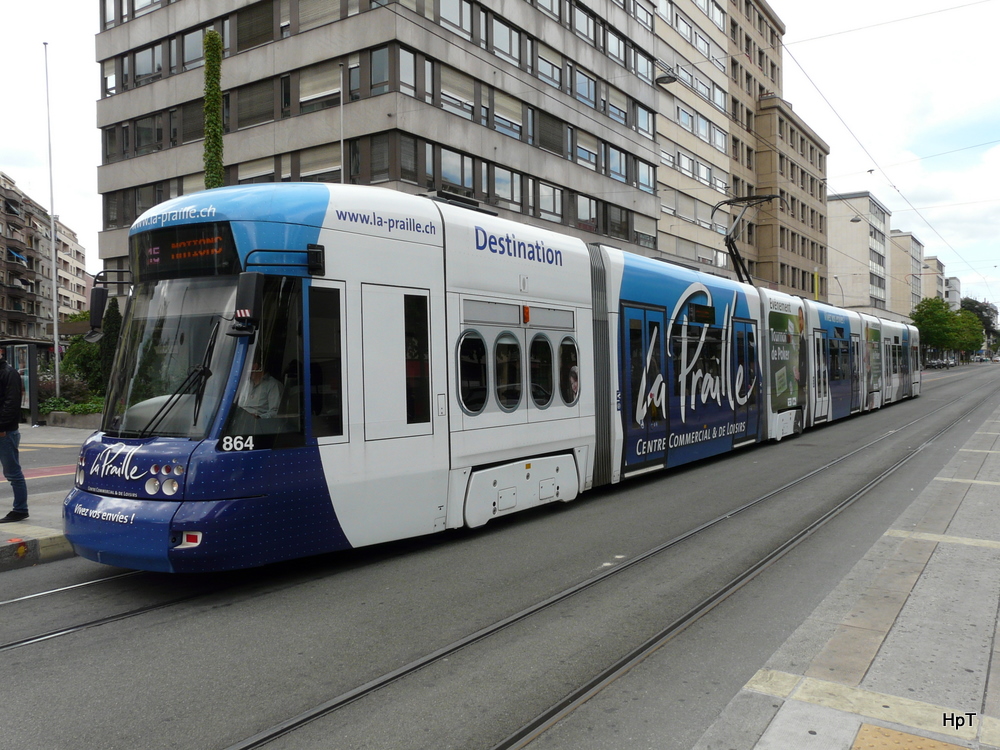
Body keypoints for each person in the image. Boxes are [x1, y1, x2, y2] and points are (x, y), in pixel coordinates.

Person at [0, 349, 27, 523]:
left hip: (5, 432)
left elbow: (11, 404)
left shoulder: (9, 373)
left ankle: (20, 509)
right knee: (12, 472)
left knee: (12, 473)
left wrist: (1, 426)